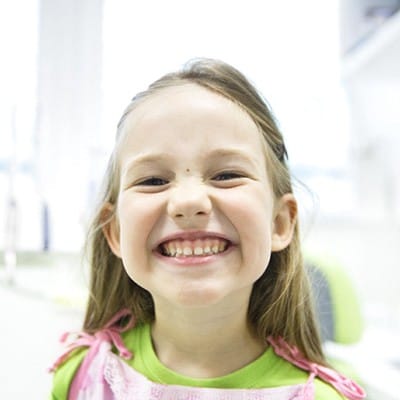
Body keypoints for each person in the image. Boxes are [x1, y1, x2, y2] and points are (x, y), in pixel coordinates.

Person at [50, 58, 365, 400]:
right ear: (116, 232)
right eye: (153, 180)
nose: (188, 201)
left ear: (279, 222)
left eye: (226, 175)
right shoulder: (80, 378)